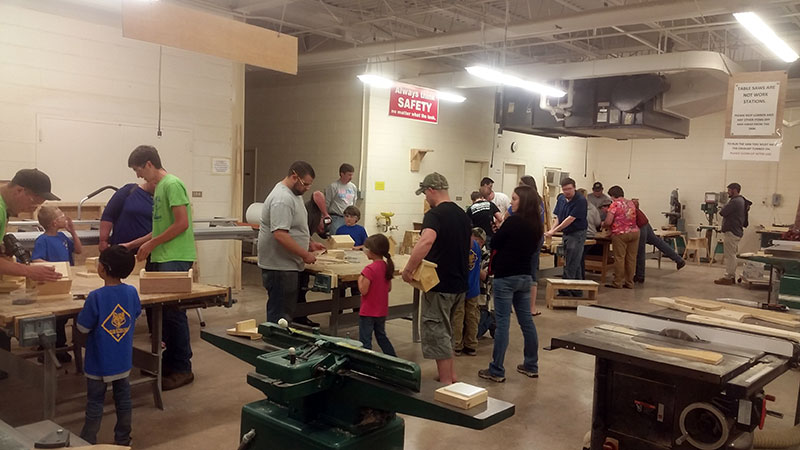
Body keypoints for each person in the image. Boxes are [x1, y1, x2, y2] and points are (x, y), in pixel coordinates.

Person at [125, 145, 196, 391]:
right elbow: (159, 229)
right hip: (162, 255)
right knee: (162, 314)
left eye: (138, 169)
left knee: (174, 314)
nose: (138, 175)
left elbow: (182, 223)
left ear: (149, 164)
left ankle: (182, 368)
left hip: (174, 257)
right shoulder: (159, 189)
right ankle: (169, 362)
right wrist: (133, 244)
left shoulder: (172, 184)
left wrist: (152, 244)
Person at [402, 173, 470, 385]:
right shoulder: (462, 214)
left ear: (431, 190)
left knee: (437, 330)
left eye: (425, 193)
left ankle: (447, 382)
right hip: (459, 283)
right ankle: (450, 374)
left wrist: (409, 269)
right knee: (448, 330)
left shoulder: (435, 214)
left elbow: (426, 241)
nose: (425, 198)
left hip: (439, 284)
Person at [76, 245, 140, 446]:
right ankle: (123, 440)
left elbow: (82, 327)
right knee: (124, 402)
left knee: (95, 403)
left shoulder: (96, 296)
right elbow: (135, 314)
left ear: (102, 268)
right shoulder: (131, 292)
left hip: (98, 364)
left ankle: (87, 442)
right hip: (122, 361)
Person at [478, 185, 542, 383]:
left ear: (523, 201)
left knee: (503, 323)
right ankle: (531, 365)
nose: (511, 202)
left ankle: (496, 369)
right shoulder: (536, 225)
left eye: (514, 199)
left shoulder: (513, 221)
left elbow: (495, 243)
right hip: (525, 277)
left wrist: (499, 229)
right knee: (526, 322)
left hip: (506, 277)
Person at [259, 161, 327, 325]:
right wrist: (305, 254)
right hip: (279, 267)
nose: (307, 188)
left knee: (287, 311)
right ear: (294, 177)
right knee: (280, 315)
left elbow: (294, 227)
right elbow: (280, 235)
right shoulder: (282, 199)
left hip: (288, 264)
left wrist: (309, 243)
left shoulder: (294, 195)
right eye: (305, 184)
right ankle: (275, 340)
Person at [32, 206, 84, 363]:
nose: (65, 218)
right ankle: (51, 348)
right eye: (62, 216)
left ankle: (60, 346)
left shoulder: (62, 236)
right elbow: (36, 260)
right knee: (55, 318)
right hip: (53, 283)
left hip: (66, 281)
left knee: (64, 317)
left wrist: (73, 232)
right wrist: (56, 267)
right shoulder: (42, 240)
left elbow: (79, 250)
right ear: (54, 223)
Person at [0, 169, 63, 281]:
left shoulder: (4, 208)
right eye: (32, 203)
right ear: (19, 190)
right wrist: (28, 271)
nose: (32, 209)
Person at [544, 178, 587, 297]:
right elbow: (559, 217)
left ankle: (565, 290)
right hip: (566, 233)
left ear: (574, 188)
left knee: (571, 263)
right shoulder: (562, 199)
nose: (567, 192)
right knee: (574, 262)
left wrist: (554, 231)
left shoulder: (580, 200)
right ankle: (577, 290)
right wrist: (551, 230)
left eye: (569, 189)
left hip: (577, 233)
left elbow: (570, 219)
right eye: (564, 189)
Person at [357, 234, 396, 356]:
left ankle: (366, 361)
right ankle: (393, 358)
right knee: (381, 336)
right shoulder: (387, 267)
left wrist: (359, 280)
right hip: (381, 311)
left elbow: (364, 290)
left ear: (371, 251)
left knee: (365, 340)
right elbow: (388, 288)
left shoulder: (369, 269)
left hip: (368, 311)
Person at [634, 200, 685, 283]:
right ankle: (679, 260)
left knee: (640, 251)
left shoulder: (615, 206)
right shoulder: (624, 203)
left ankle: (640, 276)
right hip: (645, 223)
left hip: (640, 226)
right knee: (658, 242)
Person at [452, 227, 484, 356]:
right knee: (472, 317)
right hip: (474, 287)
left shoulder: (458, 245)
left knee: (458, 316)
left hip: (460, 287)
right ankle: (471, 344)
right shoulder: (476, 246)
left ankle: (457, 344)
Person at [99, 181, 156, 253]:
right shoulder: (129, 190)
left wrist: (131, 245)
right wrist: (103, 241)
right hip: (121, 250)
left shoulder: (162, 199)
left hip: (147, 250)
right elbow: (108, 215)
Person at [603, 186, 640, 289]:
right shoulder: (631, 203)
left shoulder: (615, 204)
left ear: (612, 195)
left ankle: (617, 282)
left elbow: (608, 221)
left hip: (620, 234)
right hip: (634, 232)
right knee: (631, 258)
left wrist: (603, 225)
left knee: (619, 258)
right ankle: (629, 282)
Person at [715, 183, 752, 285]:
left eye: (729, 190)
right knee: (732, 254)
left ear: (735, 190)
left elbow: (723, 212)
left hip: (732, 231)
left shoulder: (735, 201)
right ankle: (731, 276)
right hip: (736, 231)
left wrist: (723, 206)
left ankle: (729, 276)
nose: (728, 192)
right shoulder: (741, 200)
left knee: (730, 255)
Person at [325, 163, 358, 233]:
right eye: (349, 175)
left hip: (349, 218)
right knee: (337, 236)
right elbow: (327, 203)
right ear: (342, 174)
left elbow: (354, 203)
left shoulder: (353, 187)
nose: (351, 177)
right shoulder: (333, 187)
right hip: (337, 218)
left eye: (352, 175)